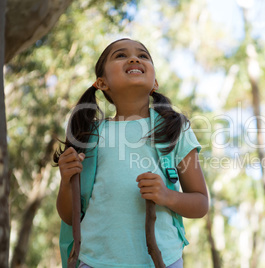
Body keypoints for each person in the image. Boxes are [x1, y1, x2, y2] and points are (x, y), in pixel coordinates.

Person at [53, 38, 209, 268]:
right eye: (120, 55)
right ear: (101, 83)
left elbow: (201, 203)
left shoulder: (175, 129)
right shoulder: (89, 134)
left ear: (154, 82)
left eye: (143, 55)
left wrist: (167, 196)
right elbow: (69, 216)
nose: (134, 58)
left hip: (162, 260)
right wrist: (66, 181)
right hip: (94, 260)